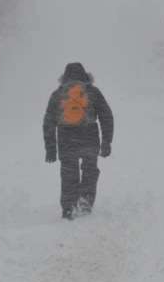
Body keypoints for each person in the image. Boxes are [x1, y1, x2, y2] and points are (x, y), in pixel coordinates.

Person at [43, 63, 114, 220]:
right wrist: (106, 141)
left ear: (64, 77)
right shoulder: (93, 92)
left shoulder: (58, 94)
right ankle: (85, 205)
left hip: (66, 139)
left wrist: (50, 148)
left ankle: (68, 209)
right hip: (89, 138)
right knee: (90, 171)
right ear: (86, 76)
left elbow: (49, 122)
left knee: (69, 174)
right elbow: (106, 116)